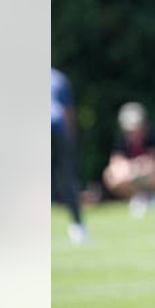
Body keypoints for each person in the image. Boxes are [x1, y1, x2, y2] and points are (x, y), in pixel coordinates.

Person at [102, 102, 155, 218]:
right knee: (112, 176)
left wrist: (141, 166)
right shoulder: (121, 140)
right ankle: (139, 198)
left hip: (152, 172)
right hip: (134, 173)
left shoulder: (152, 135)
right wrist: (134, 167)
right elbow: (116, 163)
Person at [51, 68, 88, 245]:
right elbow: (68, 112)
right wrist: (71, 139)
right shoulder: (58, 77)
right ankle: (78, 226)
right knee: (67, 179)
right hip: (59, 132)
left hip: (54, 131)